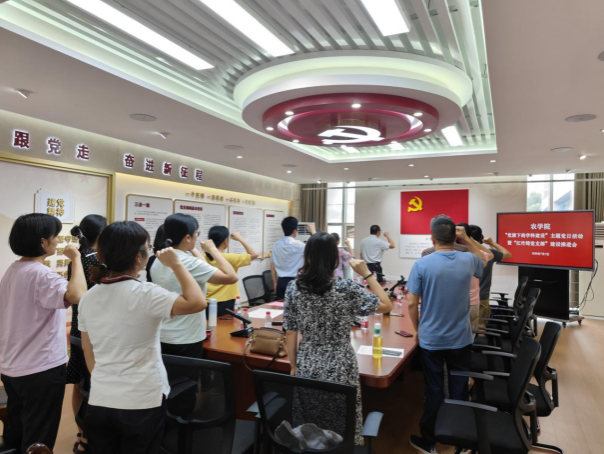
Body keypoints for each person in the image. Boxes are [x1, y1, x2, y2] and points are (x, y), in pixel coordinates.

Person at [78, 221, 206, 454]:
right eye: (148, 248)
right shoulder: (146, 293)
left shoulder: (89, 296)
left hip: (100, 400)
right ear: (139, 256)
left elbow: (88, 350)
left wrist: (108, 385)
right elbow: (197, 302)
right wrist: (176, 264)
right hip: (141, 401)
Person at [284, 232, 392, 445]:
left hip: (307, 359)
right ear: (333, 258)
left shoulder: (293, 287)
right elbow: (386, 305)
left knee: (309, 415)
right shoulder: (346, 288)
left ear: (307, 256)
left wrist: (294, 366)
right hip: (340, 360)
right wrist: (367, 274)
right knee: (343, 414)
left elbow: (290, 331)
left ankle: (312, 446)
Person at [0, 213, 87, 452]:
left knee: (18, 430)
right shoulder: (42, 275)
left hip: (12, 367)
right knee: (39, 437)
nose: (57, 241)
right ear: (42, 242)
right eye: (54, 236)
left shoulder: (13, 269)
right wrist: (77, 259)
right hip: (40, 369)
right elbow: (77, 294)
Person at [406, 216, 487, 454]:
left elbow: (411, 303)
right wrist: (467, 239)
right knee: (459, 388)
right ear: (455, 237)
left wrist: (417, 329)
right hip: (461, 338)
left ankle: (429, 440)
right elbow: (484, 259)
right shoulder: (469, 260)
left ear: (432, 238)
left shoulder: (422, 264)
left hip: (431, 339)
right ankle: (461, 441)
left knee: (434, 390)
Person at [152, 214, 238, 359]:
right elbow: (231, 277)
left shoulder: (160, 258)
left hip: (164, 333)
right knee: (187, 373)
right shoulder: (188, 262)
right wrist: (213, 250)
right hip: (186, 336)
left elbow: (202, 267)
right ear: (187, 237)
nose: (197, 237)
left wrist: (192, 248)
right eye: (196, 233)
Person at [67, 214, 107, 453]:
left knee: (79, 384)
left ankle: (81, 434)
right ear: (101, 235)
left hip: (77, 326)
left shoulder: (76, 259)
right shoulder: (99, 261)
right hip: (96, 330)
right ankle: (92, 436)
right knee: (94, 383)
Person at [205, 226, 259, 315]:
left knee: (210, 323)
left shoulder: (201, 257)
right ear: (225, 241)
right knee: (226, 324)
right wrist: (240, 238)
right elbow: (254, 254)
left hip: (207, 300)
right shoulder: (229, 258)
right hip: (226, 300)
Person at [468, 225, 512, 322]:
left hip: (463, 298)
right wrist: (492, 243)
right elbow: (508, 254)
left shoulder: (461, 252)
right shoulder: (489, 253)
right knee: (481, 326)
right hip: (482, 297)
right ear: (481, 237)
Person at [457, 223, 493, 333]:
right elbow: (490, 255)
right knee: (470, 335)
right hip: (472, 302)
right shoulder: (477, 255)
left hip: (452, 303)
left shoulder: (446, 254)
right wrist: (470, 240)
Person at [270, 216, 316, 300]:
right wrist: (313, 231)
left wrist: (275, 283)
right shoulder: (299, 245)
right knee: (296, 307)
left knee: (280, 307)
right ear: (295, 230)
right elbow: (318, 246)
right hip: (296, 282)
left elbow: (272, 266)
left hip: (281, 282)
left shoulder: (276, 245)